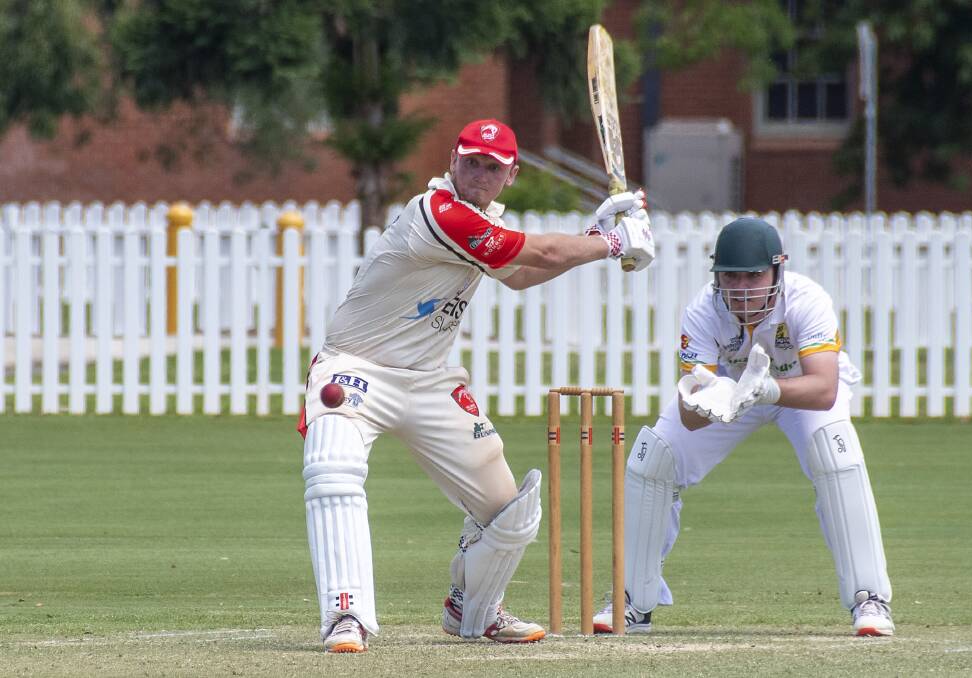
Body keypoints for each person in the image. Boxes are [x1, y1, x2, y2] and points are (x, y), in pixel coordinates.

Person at [298, 119, 655, 652]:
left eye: (493, 168)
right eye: (472, 163)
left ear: (511, 175)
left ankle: (474, 608)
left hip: (429, 381)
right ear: (452, 159)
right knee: (332, 469)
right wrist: (608, 242)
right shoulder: (438, 213)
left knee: (511, 513)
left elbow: (522, 272)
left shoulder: (480, 223)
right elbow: (540, 254)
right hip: (357, 369)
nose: (480, 175)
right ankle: (345, 615)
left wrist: (595, 240)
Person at [592, 217, 895, 637]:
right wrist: (713, 400)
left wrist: (768, 389)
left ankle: (870, 599)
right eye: (730, 276)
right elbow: (688, 416)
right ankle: (632, 599)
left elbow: (824, 388)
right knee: (656, 458)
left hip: (795, 390)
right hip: (733, 392)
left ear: (777, 269)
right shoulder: (703, 309)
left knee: (835, 452)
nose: (741, 287)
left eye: (753, 275)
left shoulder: (807, 300)